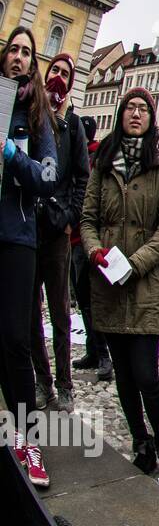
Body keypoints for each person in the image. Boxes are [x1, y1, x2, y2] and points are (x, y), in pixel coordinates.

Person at [80, 88, 159, 491]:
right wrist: (94, 252)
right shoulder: (102, 164)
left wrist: (136, 264)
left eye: (143, 109)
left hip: (143, 287)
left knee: (145, 375)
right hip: (107, 284)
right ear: (122, 115)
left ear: (151, 118)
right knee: (123, 377)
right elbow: (88, 218)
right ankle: (140, 444)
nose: (136, 114)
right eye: (130, 108)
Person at [1, 27, 60, 488]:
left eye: (27, 52)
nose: (19, 57)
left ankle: (30, 437)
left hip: (18, 237)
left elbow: (46, 177)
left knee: (17, 339)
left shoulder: (37, 117)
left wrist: (9, 155)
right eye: (13, 50)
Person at [31, 53, 90, 413]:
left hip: (57, 231)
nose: (58, 78)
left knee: (60, 310)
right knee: (29, 311)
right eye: (54, 70)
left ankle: (65, 383)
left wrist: (71, 216)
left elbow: (83, 175)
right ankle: (43, 380)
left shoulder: (74, 125)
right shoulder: (35, 116)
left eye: (65, 74)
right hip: (28, 227)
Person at [71, 116, 113, 381]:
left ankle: (104, 354)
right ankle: (93, 350)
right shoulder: (81, 156)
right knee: (83, 300)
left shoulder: (98, 158)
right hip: (75, 238)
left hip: (93, 240)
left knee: (95, 299)